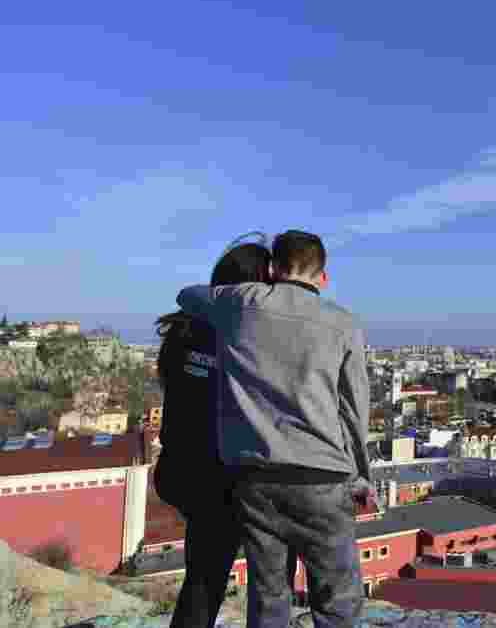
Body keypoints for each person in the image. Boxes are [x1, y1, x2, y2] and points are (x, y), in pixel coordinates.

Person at [176, 230, 372, 628]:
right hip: (322, 476)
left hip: (255, 476)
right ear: (323, 276)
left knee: (269, 598)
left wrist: (244, 291)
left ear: (271, 269)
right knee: (337, 599)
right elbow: (354, 410)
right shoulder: (342, 323)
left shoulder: (241, 303)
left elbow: (186, 295)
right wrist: (361, 475)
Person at [154, 239, 272, 628]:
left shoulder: (181, 330)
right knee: (273, 576)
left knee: (204, 577)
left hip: (179, 468)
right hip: (223, 472)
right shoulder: (242, 336)